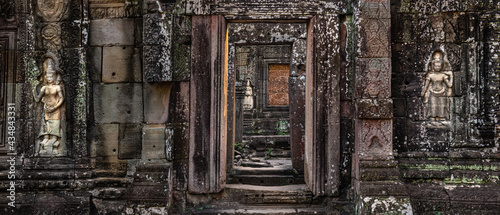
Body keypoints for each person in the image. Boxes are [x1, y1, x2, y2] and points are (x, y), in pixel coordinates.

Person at [33, 59, 64, 155]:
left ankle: (54, 142)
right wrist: (34, 90)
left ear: (55, 76)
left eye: (51, 76)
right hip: (46, 109)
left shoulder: (57, 87)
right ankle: (45, 142)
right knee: (46, 128)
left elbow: (62, 99)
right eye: (48, 75)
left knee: (55, 128)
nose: (49, 77)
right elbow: (38, 99)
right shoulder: (44, 88)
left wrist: (55, 107)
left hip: (56, 109)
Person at [422, 50, 453, 122]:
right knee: (433, 107)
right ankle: (432, 119)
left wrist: (451, 76)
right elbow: (426, 86)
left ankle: (442, 119)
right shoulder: (430, 75)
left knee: (442, 107)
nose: (438, 67)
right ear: (433, 65)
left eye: (439, 66)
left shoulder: (443, 75)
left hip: (442, 92)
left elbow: (449, 85)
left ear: (442, 66)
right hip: (432, 92)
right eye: (436, 65)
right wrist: (423, 93)